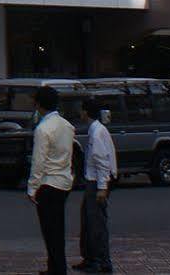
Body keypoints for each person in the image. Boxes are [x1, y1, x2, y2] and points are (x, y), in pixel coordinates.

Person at [25, 85, 75, 275]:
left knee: (49, 231)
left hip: (48, 183)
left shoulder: (43, 129)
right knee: (57, 228)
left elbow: (38, 162)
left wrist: (32, 188)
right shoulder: (67, 126)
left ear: (39, 105)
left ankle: (57, 269)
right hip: (63, 181)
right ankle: (55, 267)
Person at [76, 103, 116, 274]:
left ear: (85, 112)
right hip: (93, 181)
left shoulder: (97, 132)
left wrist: (102, 187)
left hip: (96, 182)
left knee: (96, 223)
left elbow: (102, 161)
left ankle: (101, 262)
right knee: (87, 221)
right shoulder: (95, 130)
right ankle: (90, 258)